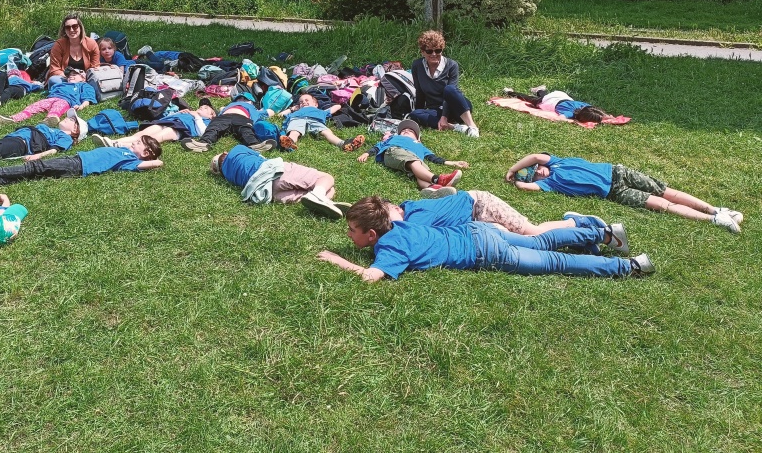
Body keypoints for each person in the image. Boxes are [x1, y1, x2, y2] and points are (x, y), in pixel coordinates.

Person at [317, 195, 654, 282]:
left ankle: (629, 267)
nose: (348, 235)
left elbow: (370, 276)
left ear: (372, 235)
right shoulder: (400, 226)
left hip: (486, 253)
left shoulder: (390, 247)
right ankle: (602, 232)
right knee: (543, 241)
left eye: (352, 231)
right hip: (481, 230)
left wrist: (335, 259)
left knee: (556, 261)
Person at [506, 153, 744, 233]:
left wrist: (512, 169)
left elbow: (534, 156)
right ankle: (714, 219)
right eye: (535, 176)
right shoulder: (551, 184)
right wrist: (517, 179)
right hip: (615, 191)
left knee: (667, 192)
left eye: (537, 169)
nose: (540, 173)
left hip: (619, 172)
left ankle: (716, 209)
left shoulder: (557, 162)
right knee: (662, 205)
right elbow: (524, 187)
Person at [408, 186, 618, 240]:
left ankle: (576, 222)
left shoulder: (411, 217)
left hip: (482, 204)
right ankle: (579, 241)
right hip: (474, 220)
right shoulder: (408, 210)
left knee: (533, 234)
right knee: (519, 240)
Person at [0, 134, 163, 189]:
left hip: (79, 166)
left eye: (139, 143)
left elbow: (156, 163)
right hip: (77, 160)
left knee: (38, 166)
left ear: (146, 152)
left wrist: (153, 157)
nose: (134, 142)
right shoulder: (125, 151)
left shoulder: (131, 161)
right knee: (37, 172)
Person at [210, 145, 349, 219]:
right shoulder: (236, 150)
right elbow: (260, 156)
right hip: (274, 173)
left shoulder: (228, 176)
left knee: (326, 191)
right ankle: (319, 196)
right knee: (325, 178)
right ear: (225, 153)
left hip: (266, 192)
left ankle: (324, 202)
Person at [356, 119, 468, 190]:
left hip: (416, 161)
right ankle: (438, 179)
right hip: (395, 151)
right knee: (415, 163)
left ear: (418, 139)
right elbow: (377, 147)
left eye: (410, 131)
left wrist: (453, 163)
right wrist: (366, 153)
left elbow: (433, 158)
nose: (406, 130)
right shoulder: (393, 138)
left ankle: (434, 190)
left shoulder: (420, 145)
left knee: (422, 173)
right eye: (403, 130)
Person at [410, 30, 480, 137]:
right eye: (429, 51)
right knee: (415, 114)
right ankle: (454, 127)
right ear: (422, 52)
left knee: (449, 89)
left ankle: (472, 126)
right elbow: (419, 92)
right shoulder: (417, 65)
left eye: (438, 50)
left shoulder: (452, 65)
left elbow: (451, 92)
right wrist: (418, 113)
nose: (434, 54)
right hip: (435, 109)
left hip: (456, 106)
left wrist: (444, 116)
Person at [91, 98, 216, 149]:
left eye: (206, 109)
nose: (202, 108)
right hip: (168, 122)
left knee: (155, 138)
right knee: (141, 134)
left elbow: (202, 132)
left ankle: (122, 146)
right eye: (201, 106)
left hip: (179, 129)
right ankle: (113, 142)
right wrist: (177, 113)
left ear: (211, 116)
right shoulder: (188, 112)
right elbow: (166, 118)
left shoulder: (206, 122)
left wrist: (196, 117)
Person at [0, 71, 97, 126]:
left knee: (58, 106)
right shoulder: (61, 84)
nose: (71, 76)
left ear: (83, 78)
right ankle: (14, 118)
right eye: (70, 75)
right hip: (51, 98)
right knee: (34, 107)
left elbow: (87, 98)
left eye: (75, 75)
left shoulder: (83, 85)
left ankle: (51, 118)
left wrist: (81, 106)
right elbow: (48, 91)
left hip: (66, 100)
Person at [276, 93, 366, 153]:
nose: (303, 102)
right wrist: (292, 109)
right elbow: (280, 115)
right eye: (301, 102)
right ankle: (289, 142)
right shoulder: (296, 112)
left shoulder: (321, 111)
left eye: (307, 100)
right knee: (294, 131)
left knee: (327, 132)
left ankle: (343, 144)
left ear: (316, 104)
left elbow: (337, 106)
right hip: (298, 119)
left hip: (316, 120)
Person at [179, 99, 274, 153]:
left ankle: (254, 145)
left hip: (241, 118)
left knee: (245, 130)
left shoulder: (253, 108)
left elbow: (269, 112)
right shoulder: (227, 107)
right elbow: (219, 110)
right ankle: (203, 143)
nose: (243, 101)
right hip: (224, 117)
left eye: (246, 100)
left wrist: (266, 111)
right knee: (214, 128)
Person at [502, 85, 611, 124]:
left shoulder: (585, 106)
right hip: (551, 101)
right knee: (532, 100)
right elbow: (560, 119)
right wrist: (572, 121)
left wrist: (607, 117)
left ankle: (540, 90)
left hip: (561, 95)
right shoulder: (570, 113)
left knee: (543, 96)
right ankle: (510, 92)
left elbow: (596, 112)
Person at [46, 14, 99, 87]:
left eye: (75, 26)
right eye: (68, 27)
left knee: (96, 80)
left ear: (80, 27)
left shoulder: (91, 44)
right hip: (65, 78)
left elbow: (95, 67)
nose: (71, 30)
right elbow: (54, 69)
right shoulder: (59, 45)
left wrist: (82, 78)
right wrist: (71, 78)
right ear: (64, 30)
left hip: (85, 79)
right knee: (54, 80)